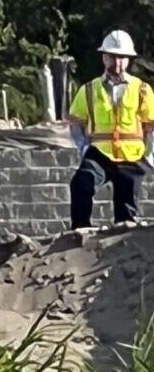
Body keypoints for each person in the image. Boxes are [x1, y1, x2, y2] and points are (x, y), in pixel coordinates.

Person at [69, 30, 154, 227]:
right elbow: (75, 123)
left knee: (125, 213)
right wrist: (83, 148)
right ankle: (80, 232)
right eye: (113, 57)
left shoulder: (142, 90)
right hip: (100, 153)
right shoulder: (88, 90)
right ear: (104, 57)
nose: (118, 62)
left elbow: (151, 126)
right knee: (81, 183)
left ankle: (121, 250)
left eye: (122, 57)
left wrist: (149, 155)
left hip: (132, 156)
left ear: (129, 59)